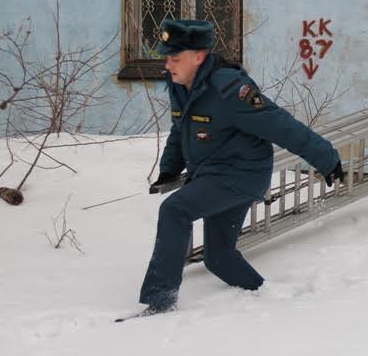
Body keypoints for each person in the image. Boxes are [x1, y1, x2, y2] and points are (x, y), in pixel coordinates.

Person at [135, 19, 344, 317]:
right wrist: (169, 169)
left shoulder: (231, 90)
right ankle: (264, 295)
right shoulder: (180, 84)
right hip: (212, 173)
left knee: (175, 210)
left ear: (199, 56)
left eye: (175, 58)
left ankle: (160, 300)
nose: (168, 65)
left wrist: (326, 158)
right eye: (167, 57)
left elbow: (281, 126)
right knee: (217, 258)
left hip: (242, 174)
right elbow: (179, 129)